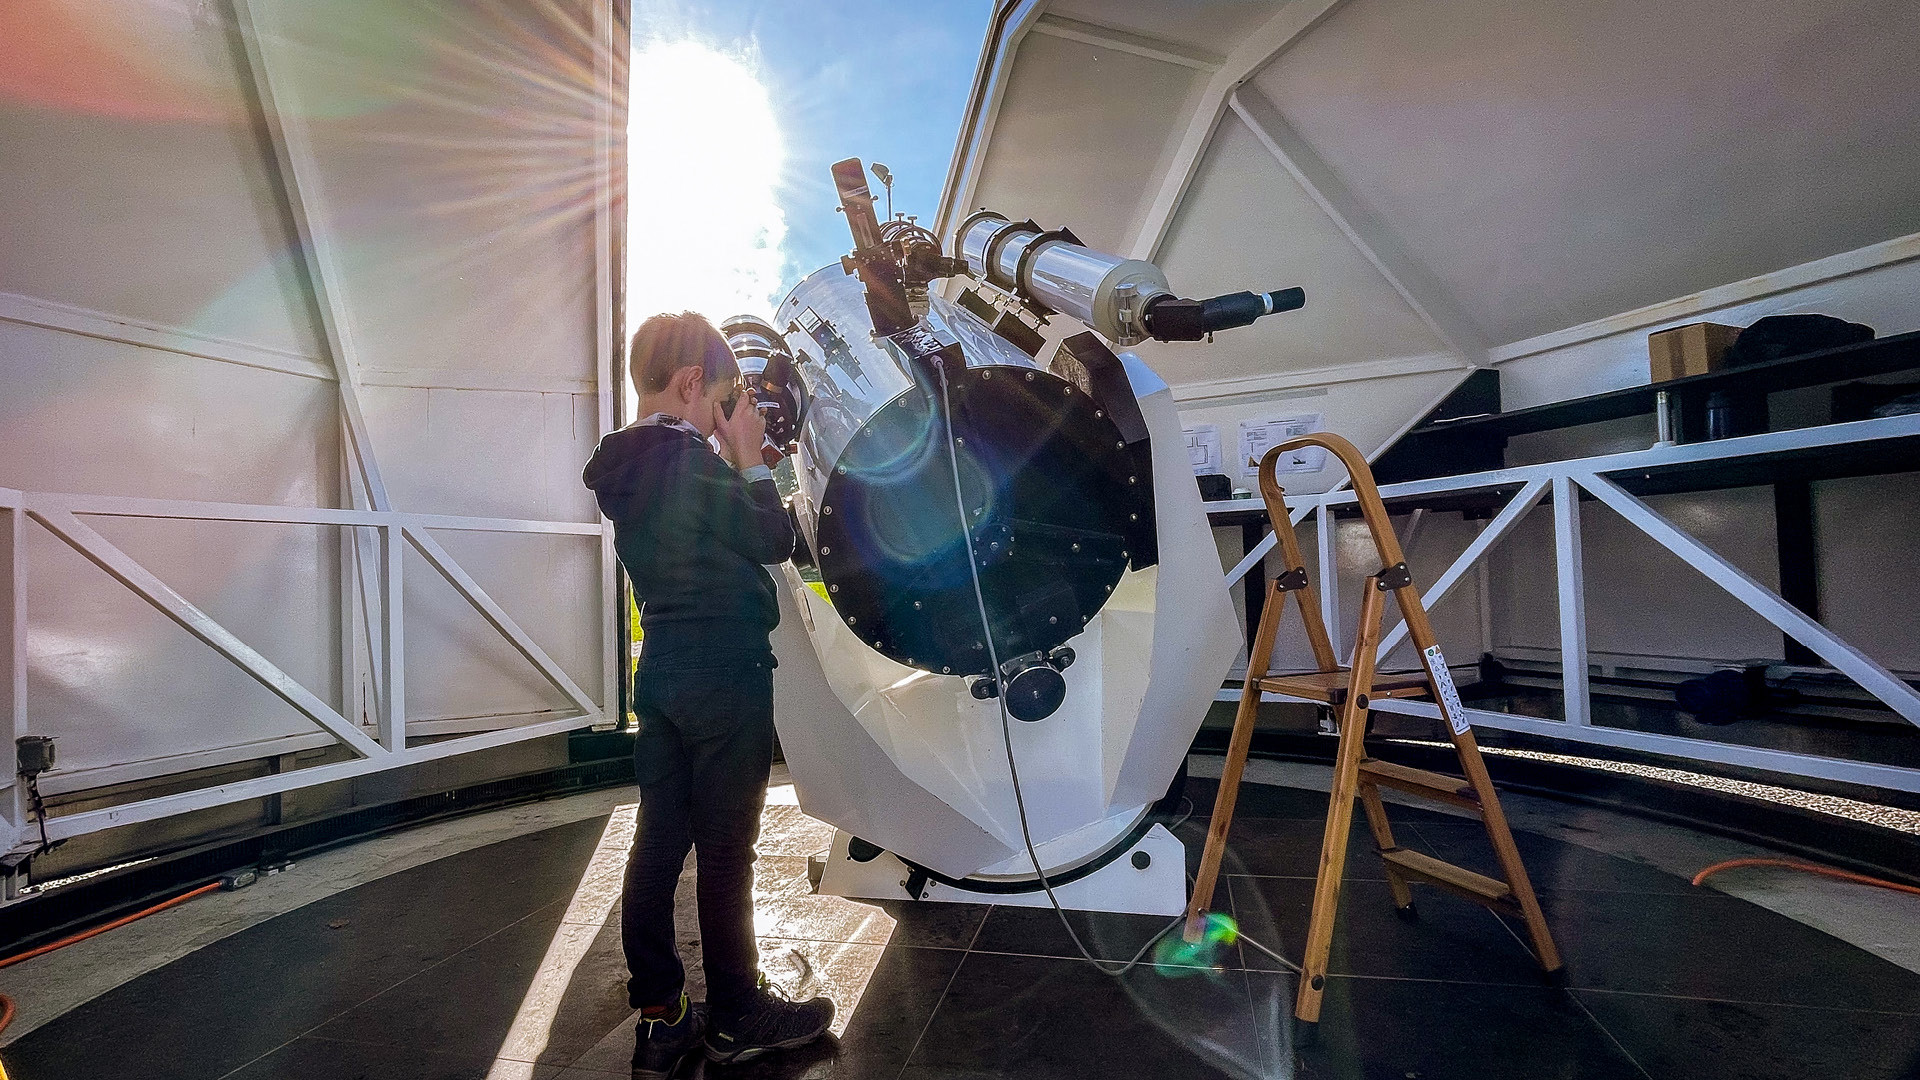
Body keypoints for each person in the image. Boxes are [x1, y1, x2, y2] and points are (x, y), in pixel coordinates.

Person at [582, 312, 833, 1077]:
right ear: (692, 384)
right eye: (722, 397)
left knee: (659, 838)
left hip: (661, 673)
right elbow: (771, 538)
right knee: (728, 849)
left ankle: (663, 1015)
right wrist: (749, 456)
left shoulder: (627, 468)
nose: (727, 412)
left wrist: (728, 447)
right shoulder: (692, 464)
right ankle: (737, 1012)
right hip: (724, 670)